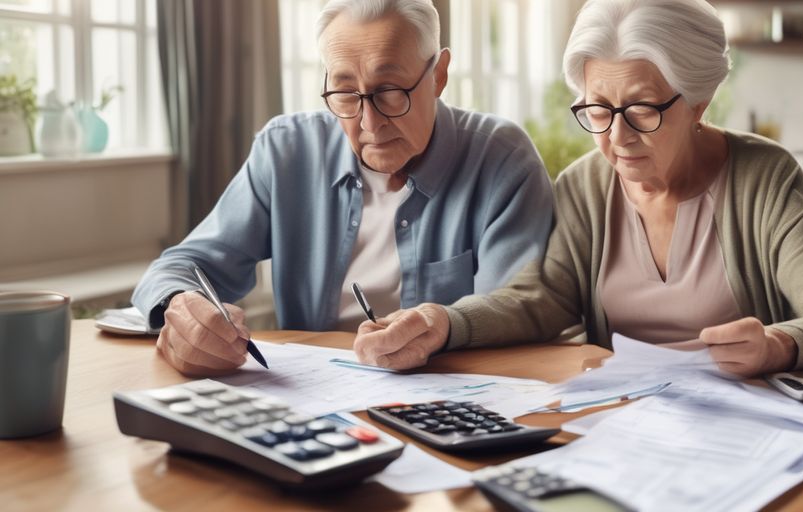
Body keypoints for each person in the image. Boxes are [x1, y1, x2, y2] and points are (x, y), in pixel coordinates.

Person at [353, 0, 803, 376]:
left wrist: (777, 345)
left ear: (699, 102)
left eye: (644, 110)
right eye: (598, 110)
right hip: (624, 423)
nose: (618, 138)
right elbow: (540, 299)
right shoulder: (585, 186)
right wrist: (443, 321)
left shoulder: (763, 178)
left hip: (749, 429)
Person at [132, 0, 553, 377]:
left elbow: (523, 305)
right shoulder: (287, 151)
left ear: (438, 75)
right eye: (346, 92)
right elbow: (182, 264)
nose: (369, 123)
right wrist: (181, 307)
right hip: (313, 398)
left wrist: (443, 323)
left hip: (450, 402)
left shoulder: (501, 157)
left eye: (389, 91)